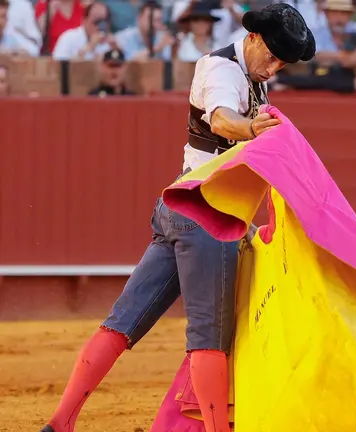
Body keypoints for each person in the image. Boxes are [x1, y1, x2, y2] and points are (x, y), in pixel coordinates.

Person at [40, 3, 315, 432]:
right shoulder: (222, 69)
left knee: (122, 325)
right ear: (254, 38)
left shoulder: (253, 81)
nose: (275, 66)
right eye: (273, 55)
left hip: (181, 208)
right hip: (208, 217)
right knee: (210, 339)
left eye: (284, 62)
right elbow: (222, 118)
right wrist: (251, 130)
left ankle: (59, 424)